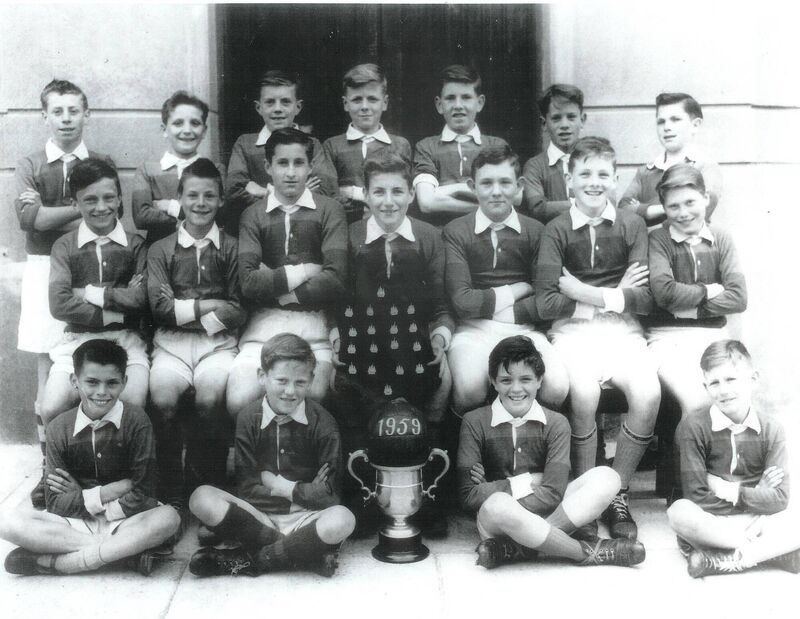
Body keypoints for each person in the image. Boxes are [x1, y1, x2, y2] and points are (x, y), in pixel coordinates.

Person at [536, 136, 659, 541]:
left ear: (615, 178)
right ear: (568, 180)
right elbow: (546, 302)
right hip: (572, 333)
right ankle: (587, 496)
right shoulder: (555, 229)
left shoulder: (631, 224)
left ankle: (617, 492)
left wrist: (586, 292)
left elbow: (642, 298)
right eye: (584, 173)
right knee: (584, 393)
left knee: (647, 392)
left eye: (603, 174)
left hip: (622, 332)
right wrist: (613, 296)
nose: (594, 182)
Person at [457, 336, 646, 569]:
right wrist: (528, 482)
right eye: (506, 380)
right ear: (493, 382)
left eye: (525, 379)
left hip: (551, 512)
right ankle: (584, 552)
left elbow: (554, 493)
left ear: (539, 381)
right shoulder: (474, 422)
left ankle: (519, 547)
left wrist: (494, 485)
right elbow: (467, 495)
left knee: (609, 478)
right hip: (500, 522)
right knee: (498, 504)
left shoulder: (556, 423)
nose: (516, 389)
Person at [13, 79, 115, 508]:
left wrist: (60, 214)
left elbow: (108, 218)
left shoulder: (100, 162)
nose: (67, 119)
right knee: (48, 371)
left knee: (88, 355)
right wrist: (83, 207)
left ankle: (92, 462)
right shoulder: (33, 163)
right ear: (45, 116)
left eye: (75, 111)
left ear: (87, 114)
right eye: (58, 112)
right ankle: (48, 467)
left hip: (87, 266)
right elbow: (31, 221)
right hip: (43, 273)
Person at [0, 339, 181, 576]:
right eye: (92, 382)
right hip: (74, 525)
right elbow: (55, 503)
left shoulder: (137, 421)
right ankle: (124, 555)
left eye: (112, 383)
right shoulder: (58, 428)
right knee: (7, 522)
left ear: (124, 382)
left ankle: (63, 563)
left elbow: (144, 493)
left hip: (126, 519)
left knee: (169, 518)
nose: (102, 392)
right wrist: (108, 492)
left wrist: (82, 497)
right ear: (75, 381)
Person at [188, 333, 355, 577]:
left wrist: (279, 485)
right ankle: (304, 555)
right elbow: (247, 489)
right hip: (259, 518)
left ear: (311, 380)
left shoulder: (324, 423)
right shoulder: (248, 418)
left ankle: (253, 560)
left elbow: (329, 496)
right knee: (200, 498)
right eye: (281, 380)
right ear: (262, 377)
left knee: (343, 519)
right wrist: (306, 491)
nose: (290, 391)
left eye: (300, 382)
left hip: (306, 519)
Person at [146, 158, 246, 511]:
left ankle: (209, 485)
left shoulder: (232, 247)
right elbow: (159, 308)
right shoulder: (161, 249)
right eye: (193, 195)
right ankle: (172, 486)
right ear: (180, 198)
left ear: (220, 200)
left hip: (216, 345)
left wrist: (188, 312)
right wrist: (212, 304)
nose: (201, 203)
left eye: (209, 195)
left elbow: (238, 308)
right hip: (171, 346)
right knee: (163, 400)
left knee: (208, 399)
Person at [228, 128, 347, 415]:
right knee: (238, 399)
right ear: (268, 167)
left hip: (314, 326)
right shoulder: (253, 215)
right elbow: (249, 282)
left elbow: (336, 279)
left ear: (310, 166)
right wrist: (307, 269)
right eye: (282, 163)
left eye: (299, 163)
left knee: (315, 395)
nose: (291, 172)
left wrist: (282, 291)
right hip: (264, 327)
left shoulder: (330, 210)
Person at [443, 145, 568, 416]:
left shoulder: (537, 231)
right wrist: (517, 288)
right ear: (472, 186)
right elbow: (462, 303)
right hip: (472, 330)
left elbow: (547, 300)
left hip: (524, 329)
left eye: (505, 182)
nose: (496, 191)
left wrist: (502, 309)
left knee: (557, 387)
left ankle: (532, 446)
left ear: (519, 185)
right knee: (469, 388)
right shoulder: (455, 231)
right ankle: (465, 447)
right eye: (486, 183)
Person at [667, 340, 800, 577]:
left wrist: (727, 489)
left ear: (753, 379)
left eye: (731, 379)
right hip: (715, 522)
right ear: (705, 386)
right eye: (714, 383)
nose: (723, 390)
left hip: (757, 518)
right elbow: (696, 496)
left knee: (795, 513)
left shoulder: (772, 429)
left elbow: (780, 499)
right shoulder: (694, 427)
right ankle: (767, 553)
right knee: (679, 512)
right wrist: (758, 494)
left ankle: (729, 558)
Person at [41, 158, 149, 425]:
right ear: (75, 204)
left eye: (109, 197)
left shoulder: (136, 246)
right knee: (52, 407)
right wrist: (119, 307)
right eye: (90, 200)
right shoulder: (64, 246)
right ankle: (58, 465)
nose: (101, 207)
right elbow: (59, 304)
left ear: (120, 198)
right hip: (78, 340)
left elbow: (143, 299)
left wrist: (85, 293)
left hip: (127, 340)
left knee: (133, 403)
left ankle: (125, 466)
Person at [647, 164, 747, 418]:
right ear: (664, 209)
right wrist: (708, 290)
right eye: (673, 207)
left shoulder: (721, 238)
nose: (683, 213)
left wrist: (688, 310)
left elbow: (738, 297)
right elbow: (664, 293)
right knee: (697, 401)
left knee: (734, 398)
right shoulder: (659, 240)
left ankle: (724, 458)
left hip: (713, 335)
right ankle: (686, 458)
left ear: (705, 198)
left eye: (690, 202)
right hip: (667, 338)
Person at [224, 70, 337, 235]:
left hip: (304, 231)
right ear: (258, 107)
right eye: (270, 102)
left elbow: (326, 191)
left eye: (285, 102)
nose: (277, 109)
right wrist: (298, 191)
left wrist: (261, 191)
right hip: (259, 232)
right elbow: (234, 191)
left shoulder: (313, 145)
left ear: (298, 107)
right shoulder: (245, 144)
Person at [413, 65, 510, 228]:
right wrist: (484, 205)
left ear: (479, 103)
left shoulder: (496, 145)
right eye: (450, 98)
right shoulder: (426, 147)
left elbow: (512, 197)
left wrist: (448, 190)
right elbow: (427, 202)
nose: (458, 105)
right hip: (443, 236)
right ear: (439, 105)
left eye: (466, 97)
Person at [322, 63, 412, 223]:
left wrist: (350, 192)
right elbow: (329, 197)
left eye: (372, 99)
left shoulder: (400, 145)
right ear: (345, 104)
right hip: (346, 228)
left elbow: (406, 194)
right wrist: (364, 208)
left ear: (384, 103)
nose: (364, 106)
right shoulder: (332, 146)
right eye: (357, 100)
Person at [131, 91, 223, 244]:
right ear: (164, 130)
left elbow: (221, 215)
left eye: (195, 123)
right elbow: (142, 217)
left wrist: (171, 207)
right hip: (159, 254)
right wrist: (198, 214)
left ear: (204, 131)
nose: (187, 130)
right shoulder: (147, 170)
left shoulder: (216, 170)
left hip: (205, 250)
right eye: (178, 123)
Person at [618, 93, 723, 226]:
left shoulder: (706, 167)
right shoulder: (646, 171)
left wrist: (643, 210)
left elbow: (697, 213)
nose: (667, 127)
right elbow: (623, 209)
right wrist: (671, 207)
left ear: (695, 125)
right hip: (648, 246)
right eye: (661, 122)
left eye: (675, 119)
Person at [519, 84, 587, 223]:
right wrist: (589, 205)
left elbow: (607, 201)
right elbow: (538, 209)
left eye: (571, 117)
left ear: (582, 120)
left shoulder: (595, 160)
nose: (564, 125)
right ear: (544, 123)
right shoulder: (535, 166)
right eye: (556, 118)